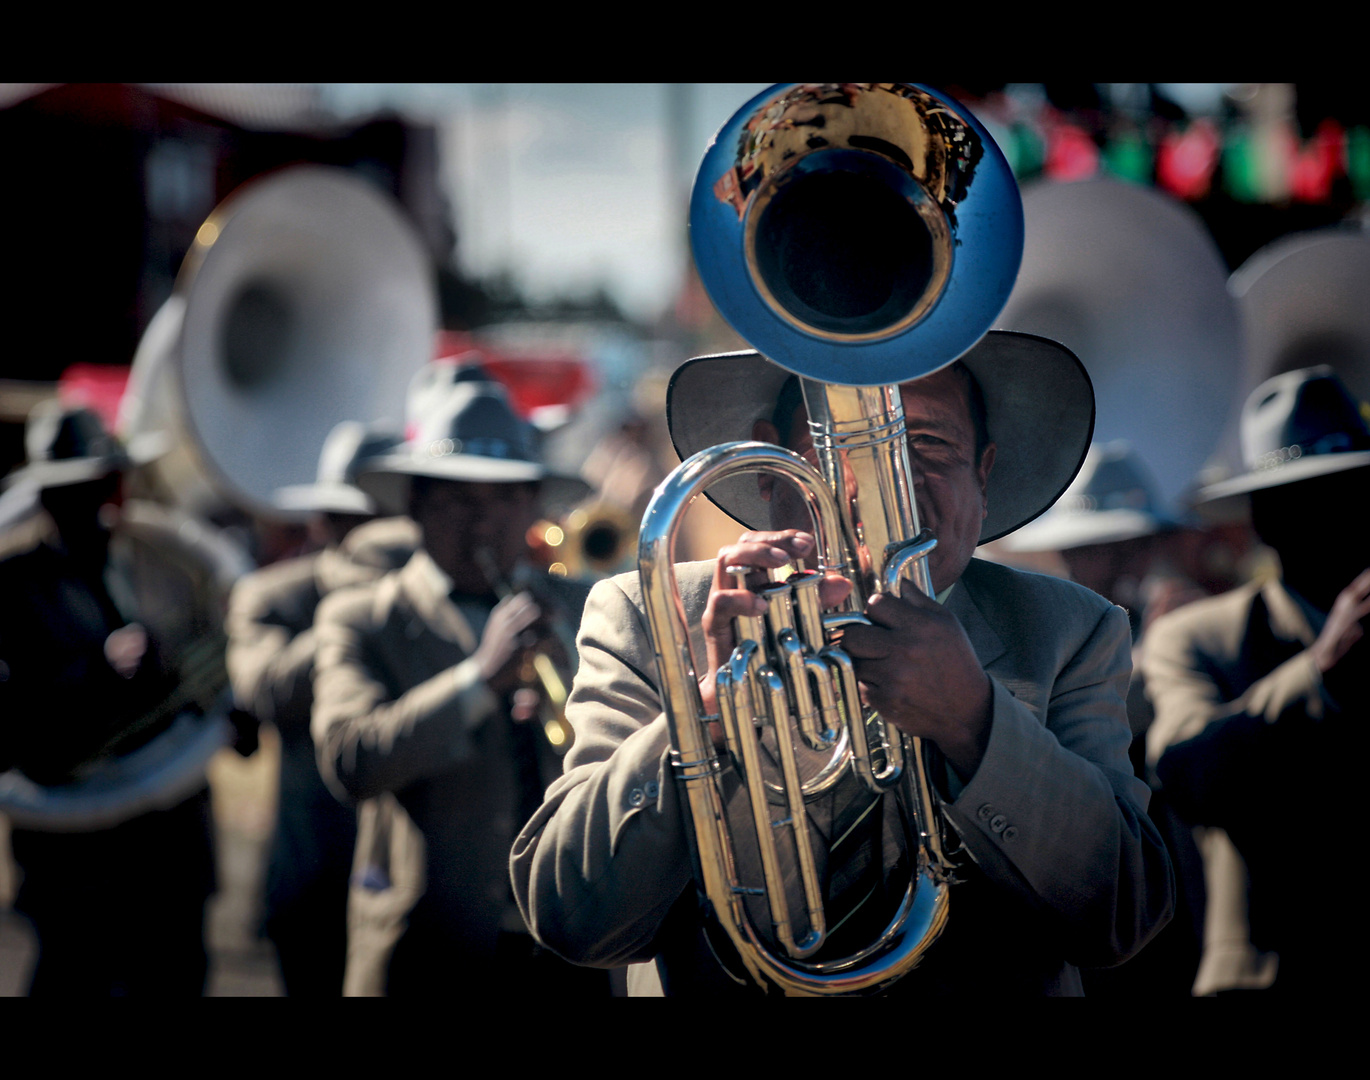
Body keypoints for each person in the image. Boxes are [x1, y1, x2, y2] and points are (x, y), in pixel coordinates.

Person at [512, 333, 1175, 997]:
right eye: (846, 441)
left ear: (984, 470)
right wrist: (706, 711)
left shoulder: (1072, 630)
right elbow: (574, 917)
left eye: (931, 444)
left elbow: (1122, 917)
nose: (890, 482)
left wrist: (975, 720)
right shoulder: (642, 614)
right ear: (770, 461)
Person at [311, 365, 612, 997]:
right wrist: (478, 680)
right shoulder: (364, 618)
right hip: (428, 956)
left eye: (505, 498)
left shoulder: (589, 607)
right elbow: (349, 760)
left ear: (533, 503)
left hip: (571, 953)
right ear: (415, 503)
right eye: (458, 499)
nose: (484, 522)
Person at [1143, 366, 1369, 996]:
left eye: (1353, 491)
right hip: (1272, 974)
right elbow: (1187, 772)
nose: (1340, 518)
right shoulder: (1197, 638)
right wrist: (1321, 675)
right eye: (1307, 500)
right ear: (1266, 521)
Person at [0, 402, 217, 996]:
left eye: (103, 486)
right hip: (74, 865)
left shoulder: (160, 567)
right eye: (74, 493)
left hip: (172, 853)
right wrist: (94, 672)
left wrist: (212, 698)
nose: (98, 506)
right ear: (45, 500)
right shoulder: (12, 586)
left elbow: (201, 663)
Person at [997, 441, 1205, 997]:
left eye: (1122, 545)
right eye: (1086, 547)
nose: (1099, 561)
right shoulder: (1032, 649)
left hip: (1170, 894)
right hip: (1083, 906)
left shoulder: (1185, 629)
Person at [225, 420, 417, 996]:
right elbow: (266, 691)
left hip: (405, 873)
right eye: (356, 522)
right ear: (323, 521)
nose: (374, 537)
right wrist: (355, 611)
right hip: (314, 866)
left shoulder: (426, 595)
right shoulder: (274, 595)